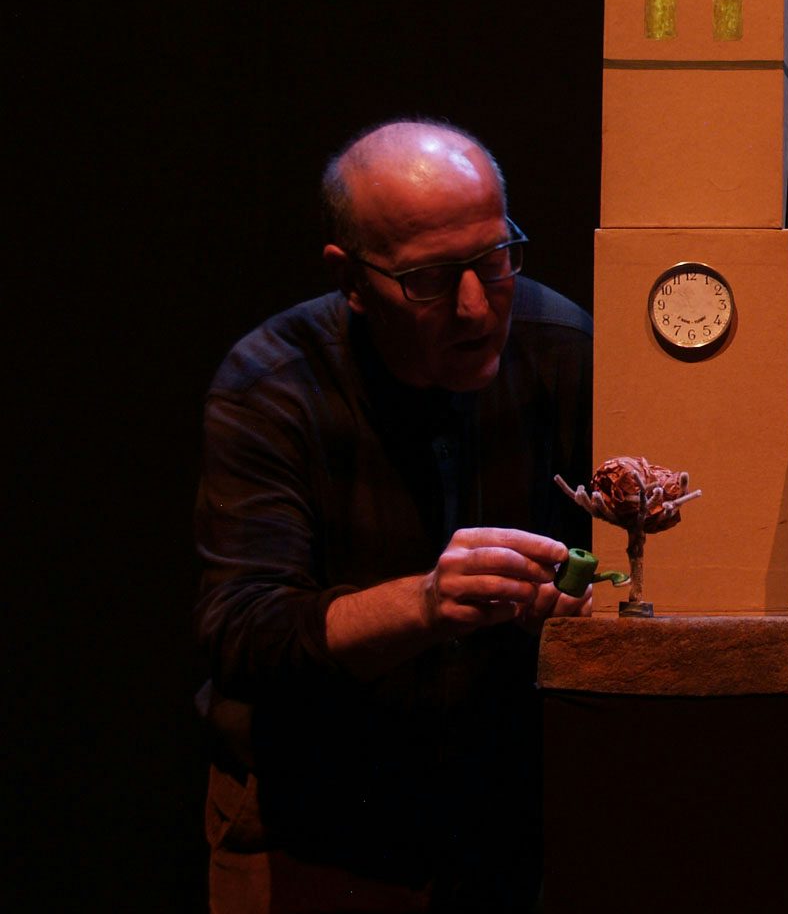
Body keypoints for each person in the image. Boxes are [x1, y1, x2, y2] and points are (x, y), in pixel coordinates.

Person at [195, 119, 626, 911]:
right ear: (351, 278)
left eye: (492, 261)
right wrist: (428, 604)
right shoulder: (273, 383)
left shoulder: (563, 348)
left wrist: (582, 609)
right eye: (429, 279)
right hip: (312, 814)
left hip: (503, 819)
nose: (473, 307)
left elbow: (630, 568)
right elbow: (244, 637)